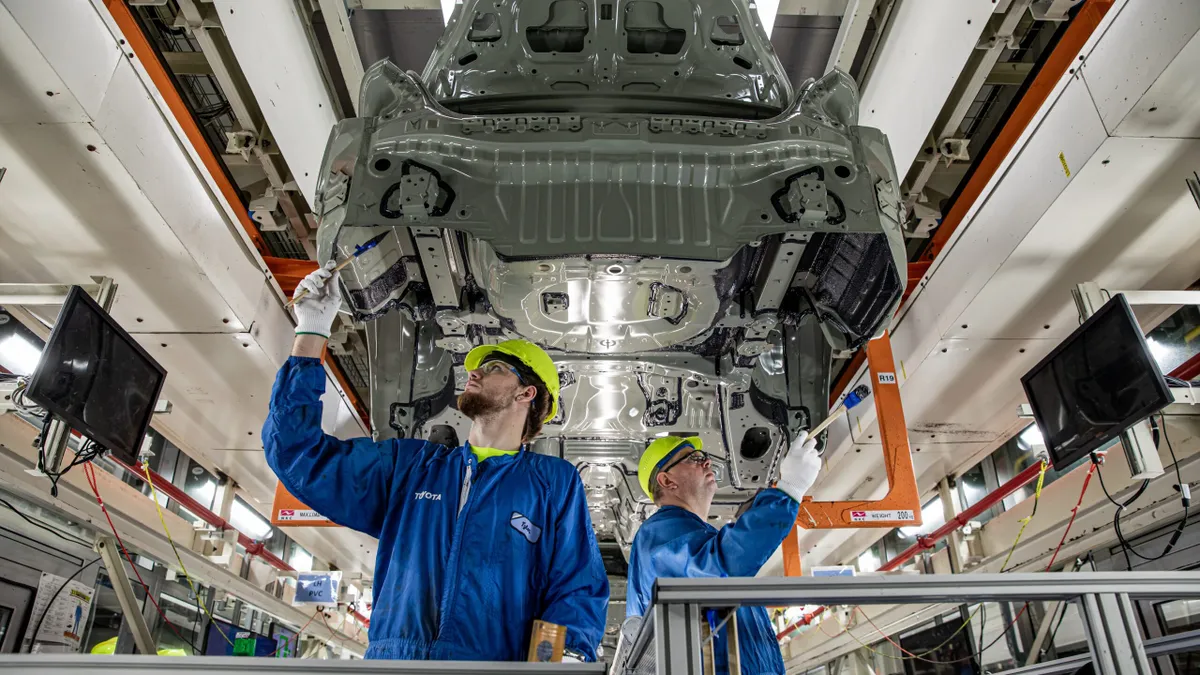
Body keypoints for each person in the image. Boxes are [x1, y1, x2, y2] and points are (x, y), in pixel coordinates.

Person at [262, 263, 609, 662]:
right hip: (397, 666)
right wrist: (311, 331)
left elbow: (575, 585)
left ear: (526, 393)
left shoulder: (552, 482)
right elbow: (297, 453)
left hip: (492, 671)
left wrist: (551, 665)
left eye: (495, 368)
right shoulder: (411, 467)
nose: (474, 372)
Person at [624, 433, 821, 674]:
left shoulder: (691, 534)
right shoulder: (659, 532)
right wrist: (789, 489)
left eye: (704, 457)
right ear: (667, 481)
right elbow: (720, 568)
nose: (706, 462)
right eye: (693, 458)